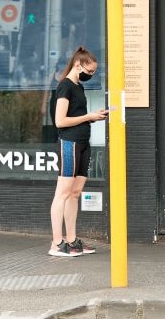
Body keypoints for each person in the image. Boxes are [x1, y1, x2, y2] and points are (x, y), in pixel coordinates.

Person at [48, 47, 108, 257]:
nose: (90, 75)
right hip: (69, 143)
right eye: (89, 71)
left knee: (74, 193)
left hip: (83, 143)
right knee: (62, 193)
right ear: (77, 64)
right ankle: (56, 243)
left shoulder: (78, 87)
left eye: (93, 73)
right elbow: (60, 121)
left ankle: (71, 240)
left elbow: (76, 115)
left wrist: (93, 115)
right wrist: (88, 116)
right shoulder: (65, 86)